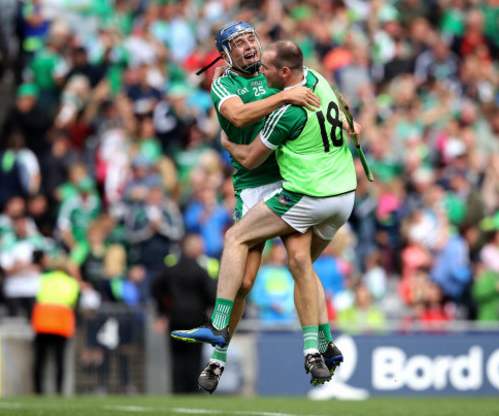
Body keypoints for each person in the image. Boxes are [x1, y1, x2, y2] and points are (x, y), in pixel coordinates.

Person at [173, 40, 358, 386]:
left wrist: (349, 120)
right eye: (239, 43)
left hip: (289, 182)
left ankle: (313, 344)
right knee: (244, 282)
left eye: (250, 40)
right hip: (256, 186)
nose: (249, 49)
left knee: (299, 261)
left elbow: (330, 96)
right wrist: (290, 97)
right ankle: (218, 358)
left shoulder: (284, 84)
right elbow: (238, 115)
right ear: (226, 53)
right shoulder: (224, 81)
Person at [151, 234, 216, 393]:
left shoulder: (171, 270)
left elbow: (155, 288)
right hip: (196, 318)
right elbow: (211, 294)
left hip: (176, 317)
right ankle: (192, 391)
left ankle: (177, 390)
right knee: (193, 358)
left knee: (177, 357)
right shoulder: (201, 271)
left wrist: (163, 309)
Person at [30, 250, 80, 395]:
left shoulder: (44, 279)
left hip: (42, 322)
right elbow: (73, 301)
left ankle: (38, 391)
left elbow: (36, 296)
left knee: (40, 359)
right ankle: (59, 391)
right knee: (60, 360)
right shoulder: (72, 283)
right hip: (61, 323)